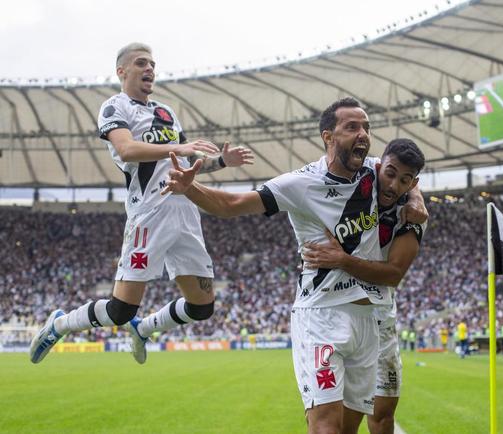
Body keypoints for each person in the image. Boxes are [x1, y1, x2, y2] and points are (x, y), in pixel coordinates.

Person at [161, 97, 428, 434]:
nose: (362, 134)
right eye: (352, 127)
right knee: (326, 428)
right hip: (322, 316)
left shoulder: (377, 173)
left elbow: (408, 179)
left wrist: (417, 199)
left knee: (347, 429)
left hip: (368, 322)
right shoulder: (301, 184)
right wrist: (191, 189)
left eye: (366, 127)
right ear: (328, 136)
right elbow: (232, 204)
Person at [29, 42, 254, 365]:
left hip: (185, 211)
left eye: (152, 63)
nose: (150, 69)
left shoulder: (166, 112)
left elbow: (186, 161)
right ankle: (60, 323)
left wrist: (220, 161)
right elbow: (127, 151)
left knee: (202, 307)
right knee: (121, 309)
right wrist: (179, 146)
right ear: (122, 71)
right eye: (141, 63)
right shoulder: (114, 107)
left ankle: (145, 329)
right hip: (150, 213)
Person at [300, 138, 426, 434]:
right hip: (339, 313)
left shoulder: (413, 215)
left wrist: (341, 259)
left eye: (405, 181)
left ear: (413, 182)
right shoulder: (360, 177)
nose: (394, 185)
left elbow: (394, 273)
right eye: (391, 174)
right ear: (380, 166)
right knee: (332, 417)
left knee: (382, 414)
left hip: (382, 319)